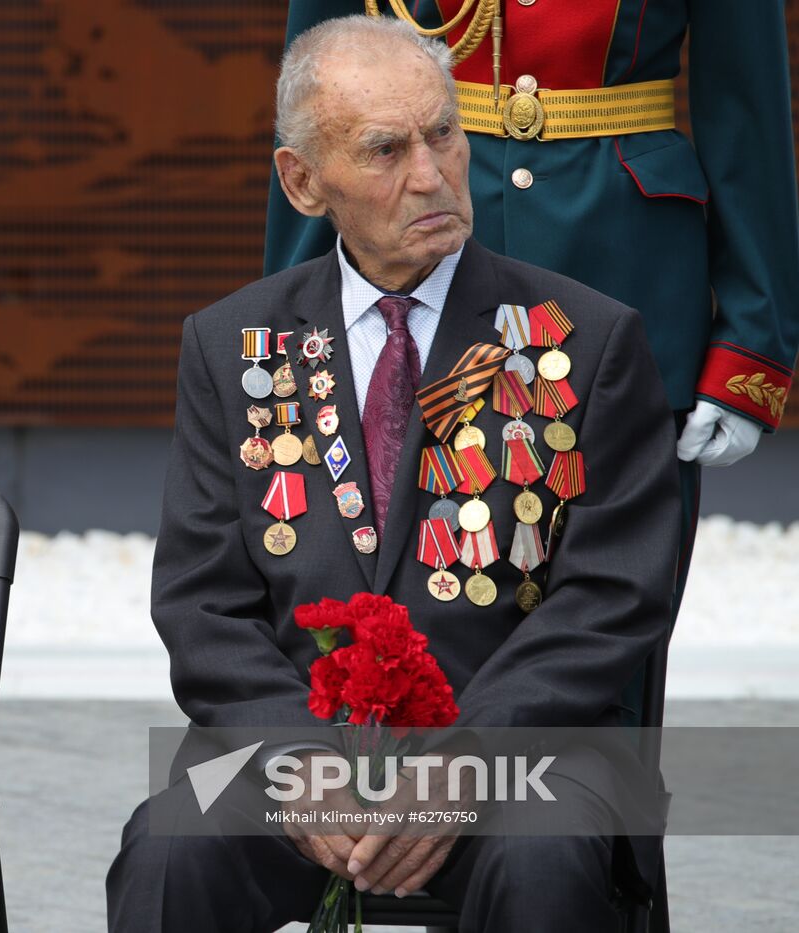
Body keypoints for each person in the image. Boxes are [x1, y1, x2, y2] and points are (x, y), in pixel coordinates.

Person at [107, 17, 678, 932]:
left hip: (519, 753)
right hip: (289, 756)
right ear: (302, 181)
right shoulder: (231, 344)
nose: (431, 173)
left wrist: (460, 763)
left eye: (444, 133)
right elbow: (202, 603)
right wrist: (302, 766)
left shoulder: (590, 338)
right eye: (384, 149)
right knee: (171, 847)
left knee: (545, 860)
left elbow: (611, 599)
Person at [265, 0, 799, 620]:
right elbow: (316, 97)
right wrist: (294, 327)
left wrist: (751, 345)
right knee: (392, 598)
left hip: (625, 263)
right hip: (423, 238)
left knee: (612, 617)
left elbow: (746, 109)